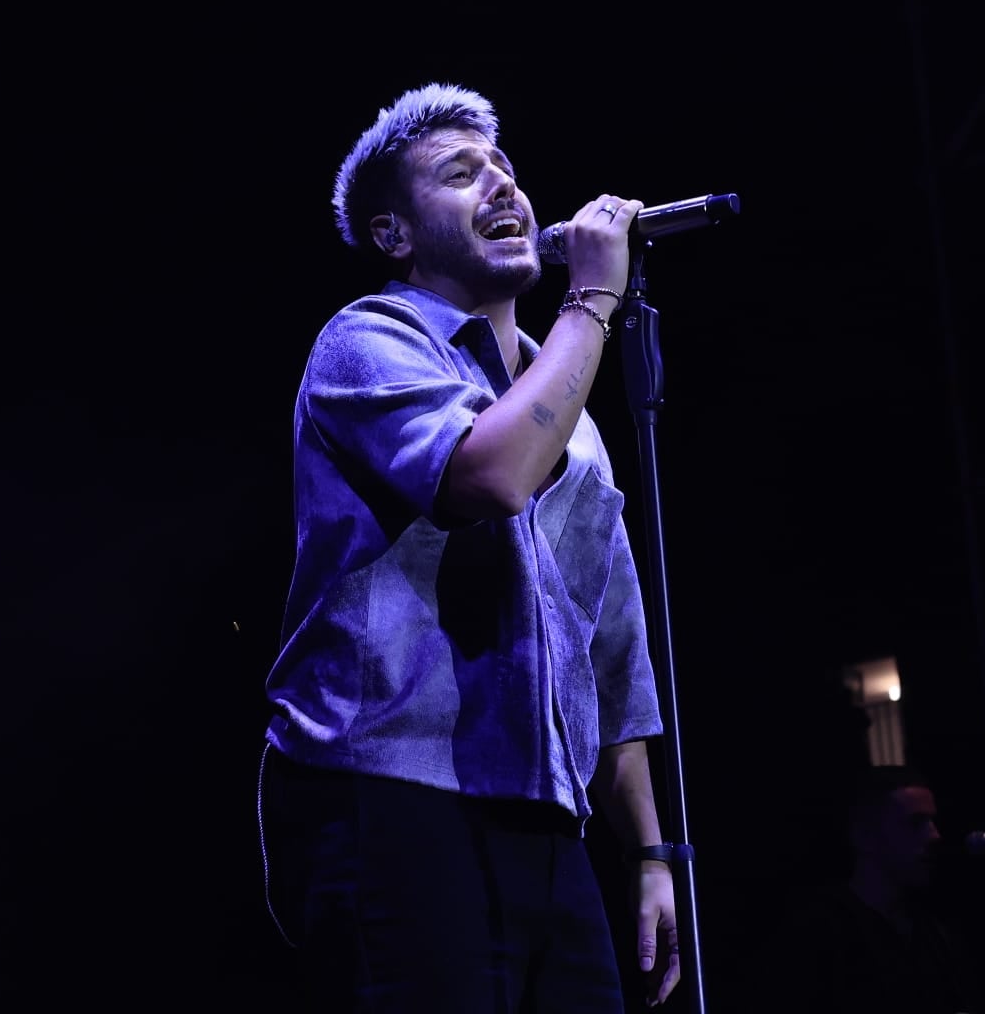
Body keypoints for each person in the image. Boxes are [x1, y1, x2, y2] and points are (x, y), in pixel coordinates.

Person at [255, 81, 681, 1012]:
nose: (502, 188)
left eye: (506, 170)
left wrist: (649, 852)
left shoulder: (563, 405)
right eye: (460, 175)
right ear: (393, 234)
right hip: (392, 789)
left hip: (542, 813)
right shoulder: (369, 341)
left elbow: (611, 646)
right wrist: (595, 297)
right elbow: (487, 477)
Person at [757, 763, 985, 1014]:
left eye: (933, 822)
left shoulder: (935, 936)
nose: (935, 836)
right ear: (864, 836)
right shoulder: (819, 932)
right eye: (915, 824)